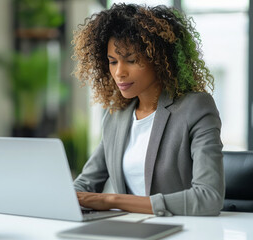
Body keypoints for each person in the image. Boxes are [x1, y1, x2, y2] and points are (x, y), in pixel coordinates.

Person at [71, 3, 224, 216]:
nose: (119, 73)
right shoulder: (116, 115)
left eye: (131, 60)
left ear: (160, 61)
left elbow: (208, 198)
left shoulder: (195, 108)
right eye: (112, 62)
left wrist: (111, 200)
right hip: (128, 230)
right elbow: (86, 184)